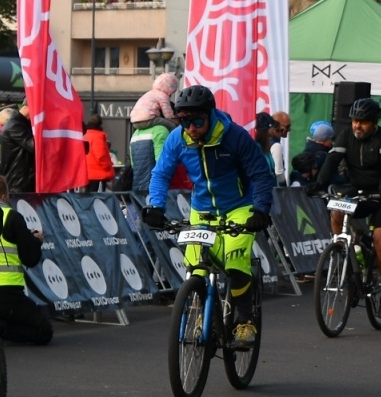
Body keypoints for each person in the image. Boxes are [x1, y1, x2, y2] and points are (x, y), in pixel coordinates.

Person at [144, 85, 275, 345]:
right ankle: (208, 319)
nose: (191, 128)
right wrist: (156, 206)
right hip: (201, 209)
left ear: (210, 114)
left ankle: (244, 320)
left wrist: (261, 210)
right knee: (196, 269)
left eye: (197, 121)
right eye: (184, 122)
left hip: (238, 206)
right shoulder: (178, 138)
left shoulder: (234, 136)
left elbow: (260, 174)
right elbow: (161, 174)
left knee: (235, 262)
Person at [308, 97, 381, 318]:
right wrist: (319, 183)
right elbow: (332, 161)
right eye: (354, 121)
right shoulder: (345, 135)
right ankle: (346, 248)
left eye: (363, 122)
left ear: (374, 121)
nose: (357, 126)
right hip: (358, 191)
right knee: (337, 208)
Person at [0, 174, 53, 346]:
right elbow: (30, 258)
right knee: (44, 331)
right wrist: (36, 242)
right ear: (4, 196)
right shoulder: (11, 217)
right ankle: (1, 330)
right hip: (7, 291)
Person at [0, 97, 37, 195]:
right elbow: (34, 146)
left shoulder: (22, 123)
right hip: (19, 183)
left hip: (24, 180)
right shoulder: (15, 124)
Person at [291, 121, 336, 186]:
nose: (331, 142)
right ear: (325, 140)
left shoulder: (307, 150)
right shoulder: (322, 156)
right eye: (331, 139)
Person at [84, 114, 114, 191]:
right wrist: (107, 165)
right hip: (99, 175)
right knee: (99, 197)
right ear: (100, 124)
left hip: (88, 173)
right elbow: (101, 155)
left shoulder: (86, 136)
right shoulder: (97, 137)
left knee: (89, 197)